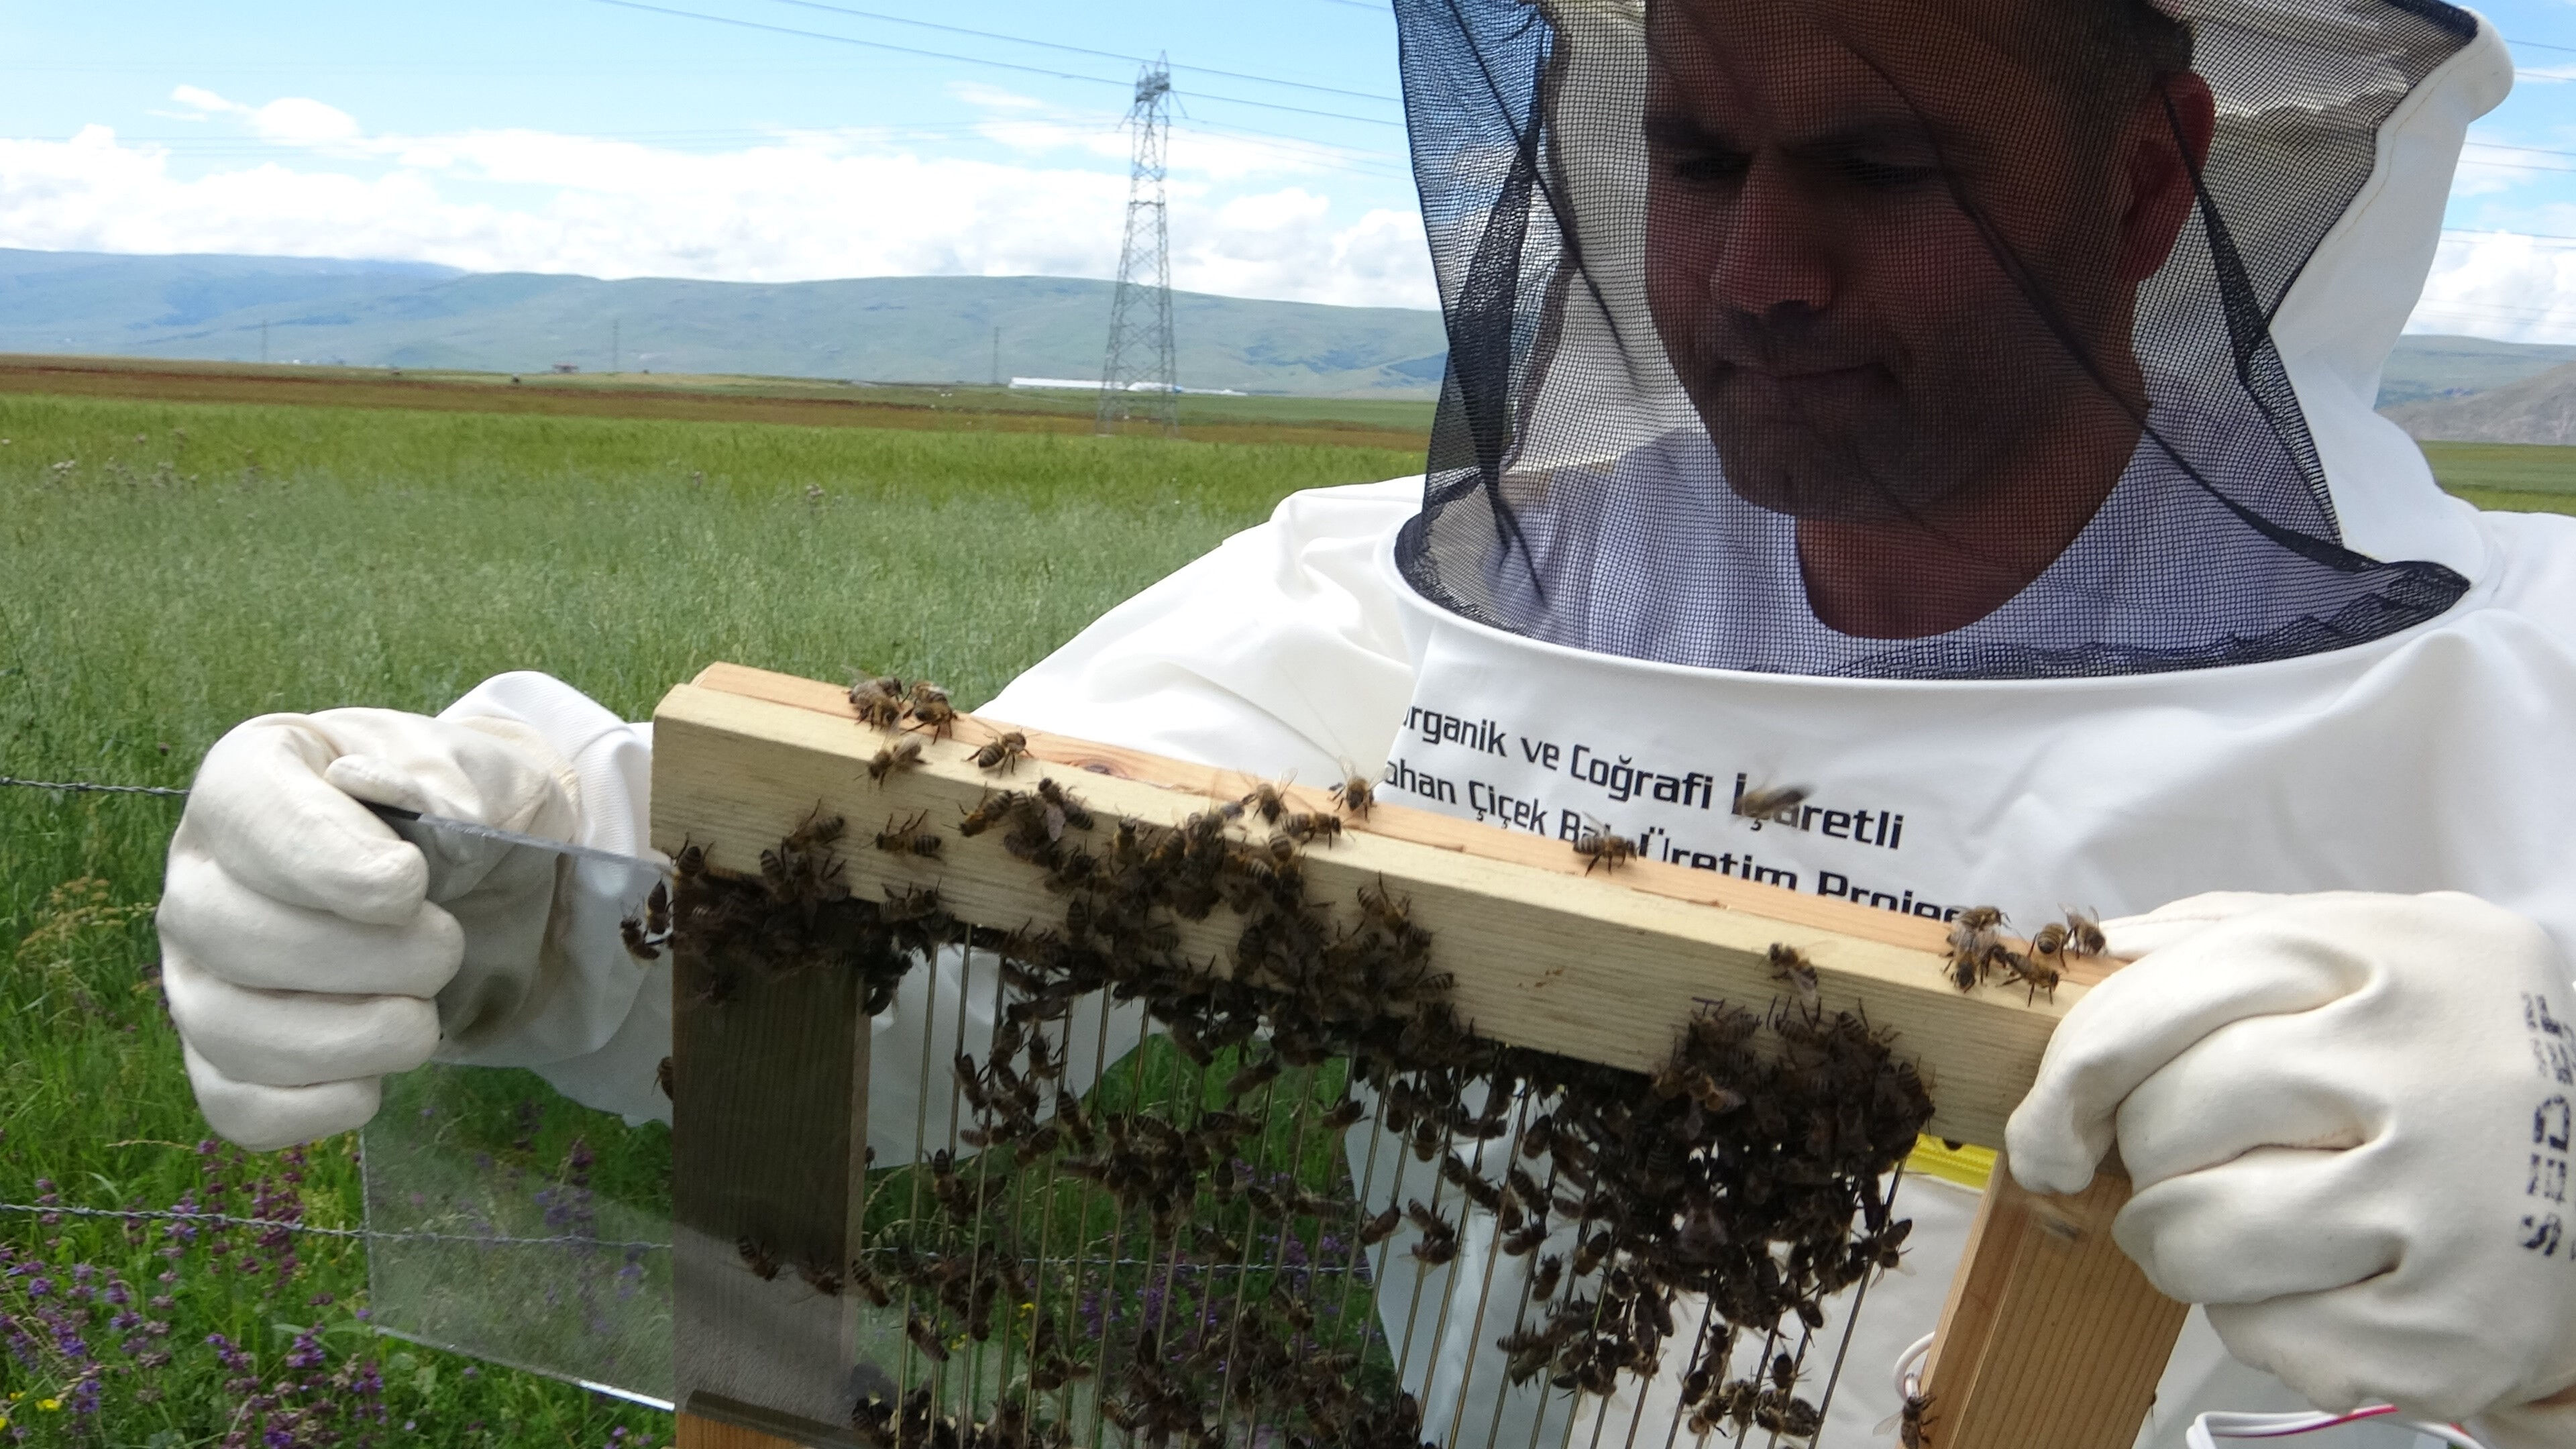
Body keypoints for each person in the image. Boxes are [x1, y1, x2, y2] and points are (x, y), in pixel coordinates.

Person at [155, 0, 2576, 1442]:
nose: (1756, 269)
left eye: (1881, 164)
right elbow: (926, 922)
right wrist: (500, 885)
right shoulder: (1381, 613)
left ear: (2156, 179)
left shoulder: (2524, 682)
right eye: (1705, 154)